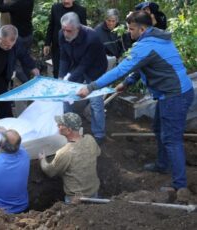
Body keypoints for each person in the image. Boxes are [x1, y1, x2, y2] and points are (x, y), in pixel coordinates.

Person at [77, 11, 194, 192]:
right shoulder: (158, 39)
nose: (129, 33)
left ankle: (180, 186)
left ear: (143, 29)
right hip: (172, 93)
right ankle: (163, 165)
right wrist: (127, 83)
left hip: (174, 96)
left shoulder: (146, 45)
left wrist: (91, 87)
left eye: (132, 29)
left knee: (171, 139)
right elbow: (142, 67)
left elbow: (121, 69)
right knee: (158, 128)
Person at [58, 12, 108, 144]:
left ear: (78, 28)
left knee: (95, 102)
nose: (66, 34)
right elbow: (63, 57)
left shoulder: (92, 38)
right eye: (64, 30)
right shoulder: (61, 34)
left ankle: (99, 135)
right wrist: (62, 76)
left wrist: (69, 79)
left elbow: (85, 64)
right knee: (66, 96)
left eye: (69, 31)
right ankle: (70, 130)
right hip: (76, 65)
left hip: (95, 69)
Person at [39, 112, 101, 204]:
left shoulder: (65, 152)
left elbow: (50, 172)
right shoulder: (90, 139)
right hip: (94, 192)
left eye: (60, 125)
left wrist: (42, 160)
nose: (57, 125)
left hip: (76, 200)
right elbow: (98, 153)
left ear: (68, 130)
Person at [44, 0, 87, 78]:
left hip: (74, 47)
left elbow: (83, 30)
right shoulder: (55, 8)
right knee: (57, 70)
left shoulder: (81, 10)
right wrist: (47, 43)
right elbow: (51, 26)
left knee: (72, 72)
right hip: (57, 46)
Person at [0, 0, 35, 82]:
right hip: (28, 35)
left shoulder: (15, 5)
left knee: (15, 63)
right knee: (26, 59)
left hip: (18, 38)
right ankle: (28, 80)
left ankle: (26, 83)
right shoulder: (30, 1)